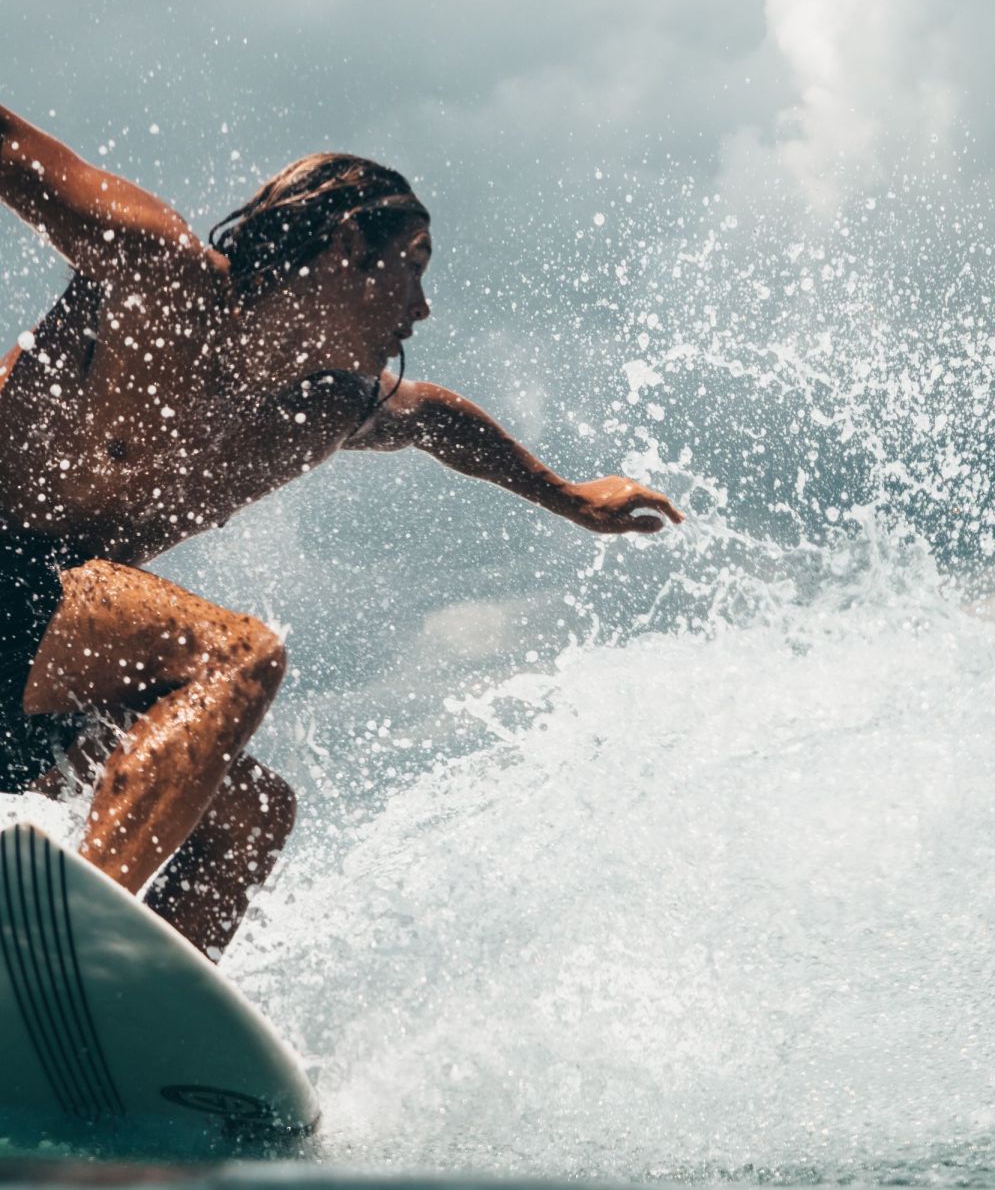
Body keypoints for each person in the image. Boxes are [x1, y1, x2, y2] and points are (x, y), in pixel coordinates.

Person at [0, 103, 683, 958]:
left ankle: (125, 1027)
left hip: (32, 657)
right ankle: (65, 950)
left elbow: (434, 420)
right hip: (11, 588)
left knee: (251, 819)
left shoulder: (315, 410)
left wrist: (572, 498)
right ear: (345, 245)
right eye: (414, 267)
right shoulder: (163, 279)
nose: (424, 308)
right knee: (238, 655)